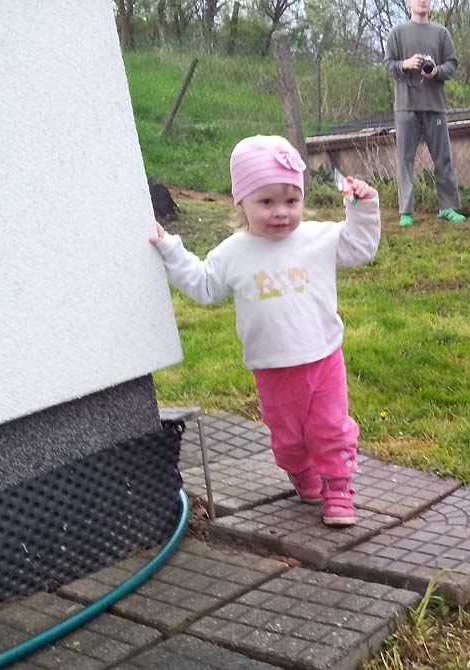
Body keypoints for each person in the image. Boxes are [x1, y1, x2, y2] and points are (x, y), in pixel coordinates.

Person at [150, 135, 380, 527]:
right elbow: (204, 286)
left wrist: (363, 209)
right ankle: (301, 472)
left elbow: (361, 248)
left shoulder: (319, 238)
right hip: (272, 368)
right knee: (288, 438)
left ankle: (339, 487)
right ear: (241, 202)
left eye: (291, 201)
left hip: (324, 357)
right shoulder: (232, 253)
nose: (281, 212)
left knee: (330, 428)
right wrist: (171, 250)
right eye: (266, 202)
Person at [383, 0, 466, 227]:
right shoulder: (397, 33)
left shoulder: (441, 33)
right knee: (405, 160)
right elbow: (388, 65)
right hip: (406, 106)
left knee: (443, 158)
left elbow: (452, 64)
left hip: (435, 106)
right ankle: (406, 212)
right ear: (408, 2)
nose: (422, 1)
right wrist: (406, 64)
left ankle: (448, 208)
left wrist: (436, 71)